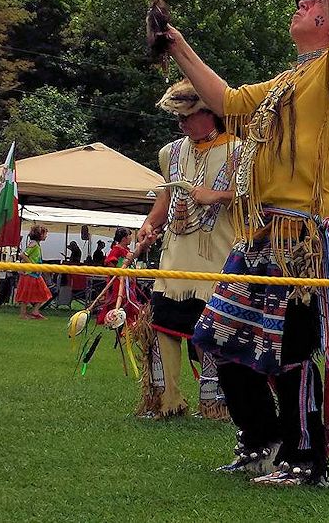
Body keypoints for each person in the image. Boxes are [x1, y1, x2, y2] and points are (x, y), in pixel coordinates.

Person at [173, 0, 329, 487]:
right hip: (262, 236)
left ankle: (307, 461)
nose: (302, 5)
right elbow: (228, 101)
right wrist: (177, 45)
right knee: (219, 338)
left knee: (294, 353)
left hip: (306, 236)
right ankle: (262, 441)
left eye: (313, 3)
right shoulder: (288, 82)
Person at [133, 79, 238, 420]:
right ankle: (166, 401)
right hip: (175, 255)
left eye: (188, 116)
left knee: (213, 330)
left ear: (211, 113)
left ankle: (216, 403)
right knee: (163, 325)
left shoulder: (242, 150)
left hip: (218, 257)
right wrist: (150, 225)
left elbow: (256, 199)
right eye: (177, 117)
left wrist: (217, 196)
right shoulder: (171, 152)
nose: (181, 124)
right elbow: (166, 196)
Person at [95, 228, 142, 326]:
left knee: (130, 300)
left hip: (128, 281)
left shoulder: (126, 250)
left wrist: (139, 246)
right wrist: (120, 276)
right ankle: (117, 319)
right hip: (119, 282)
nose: (131, 238)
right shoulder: (117, 249)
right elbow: (109, 262)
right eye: (129, 236)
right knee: (120, 300)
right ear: (124, 238)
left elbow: (133, 256)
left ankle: (127, 321)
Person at [16, 226, 52, 319]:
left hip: (36, 274)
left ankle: (35, 312)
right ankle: (23, 314)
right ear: (40, 235)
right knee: (26, 294)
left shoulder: (37, 245)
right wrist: (32, 265)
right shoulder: (34, 245)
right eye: (45, 234)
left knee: (44, 293)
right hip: (30, 273)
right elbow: (23, 255)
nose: (46, 236)